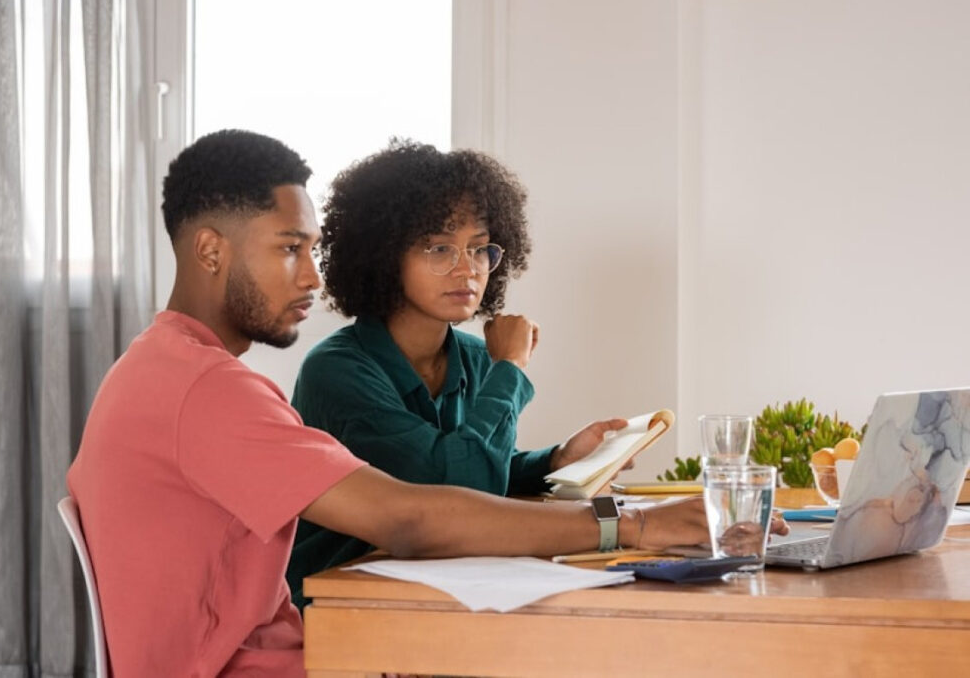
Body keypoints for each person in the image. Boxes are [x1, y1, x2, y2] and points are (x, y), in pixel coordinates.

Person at [66, 129, 724, 677]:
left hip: (323, 647)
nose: (311, 275)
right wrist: (632, 526)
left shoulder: (169, 367)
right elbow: (411, 516)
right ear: (211, 250)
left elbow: (432, 497)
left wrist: (555, 465)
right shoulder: (210, 389)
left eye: (311, 249)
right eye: (290, 249)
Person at [288, 140, 629, 602]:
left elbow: (474, 467)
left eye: (479, 249)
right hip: (338, 602)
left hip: (436, 592)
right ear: (385, 255)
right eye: (439, 248)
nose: (467, 269)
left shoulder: (473, 356)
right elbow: (457, 491)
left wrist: (556, 462)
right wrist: (509, 367)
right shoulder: (337, 371)